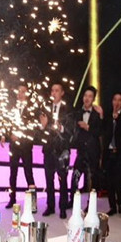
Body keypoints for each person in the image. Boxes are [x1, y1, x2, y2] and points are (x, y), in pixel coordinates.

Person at [40, 82, 73, 219]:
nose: (54, 93)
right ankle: (50, 206)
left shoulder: (68, 109)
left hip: (62, 150)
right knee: (49, 179)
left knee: (63, 179)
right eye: (52, 90)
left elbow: (71, 130)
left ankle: (63, 207)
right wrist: (42, 126)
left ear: (62, 93)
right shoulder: (45, 109)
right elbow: (39, 132)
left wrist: (61, 128)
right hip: (48, 149)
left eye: (57, 90)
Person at [0, 83, 36, 209]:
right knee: (13, 173)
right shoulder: (12, 108)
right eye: (19, 91)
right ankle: (12, 199)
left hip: (26, 147)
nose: (20, 94)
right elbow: (6, 123)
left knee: (28, 173)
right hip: (14, 147)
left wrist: (20, 136)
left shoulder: (31, 109)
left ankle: (33, 203)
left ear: (27, 94)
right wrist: (5, 135)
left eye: (23, 91)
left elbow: (33, 130)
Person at [70, 86, 103, 200]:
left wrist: (88, 127)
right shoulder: (77, 112)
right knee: (75, 176)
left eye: (90, 96)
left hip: (93, 151)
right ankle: (72, 200)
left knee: (93, 178)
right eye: (85, 96)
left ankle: (91, 203)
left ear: (93, 99)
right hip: (81, 150)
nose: (87, 98)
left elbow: (101, 131)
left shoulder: (97, 113)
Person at [101, 91, 121, 215]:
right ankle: (112, 206)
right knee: (109, 181)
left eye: (119, 100)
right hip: (108, 152)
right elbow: (103, 131)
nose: (117, 102)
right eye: (115, 99)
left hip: (119, 153)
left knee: (119, 180)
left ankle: (120, 204)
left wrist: (118, 119)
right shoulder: (107, 115)